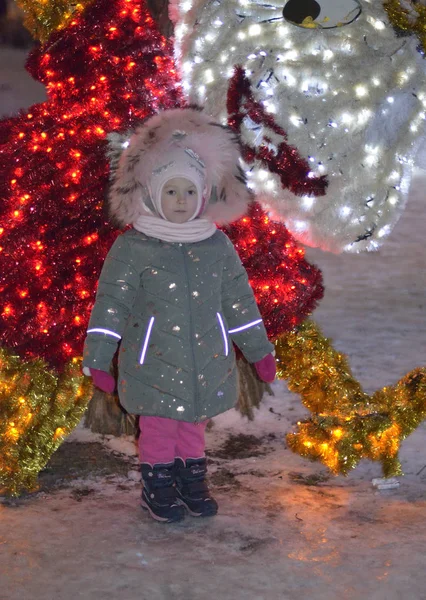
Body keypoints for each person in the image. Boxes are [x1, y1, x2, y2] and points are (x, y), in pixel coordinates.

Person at [82, 107, 276, 523]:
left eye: (189, 192)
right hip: (151, 360)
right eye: (171, 191)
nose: (181, 201)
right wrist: (98, 356)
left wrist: (258, 350)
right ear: (153, 194)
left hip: (206, 359)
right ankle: (158, 485)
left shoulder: (216, 246)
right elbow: (111, 303)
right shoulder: (133, 247)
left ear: (203, 195)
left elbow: (239, 301)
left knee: (193, 426)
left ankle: (192, 481)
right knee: (158, 428)